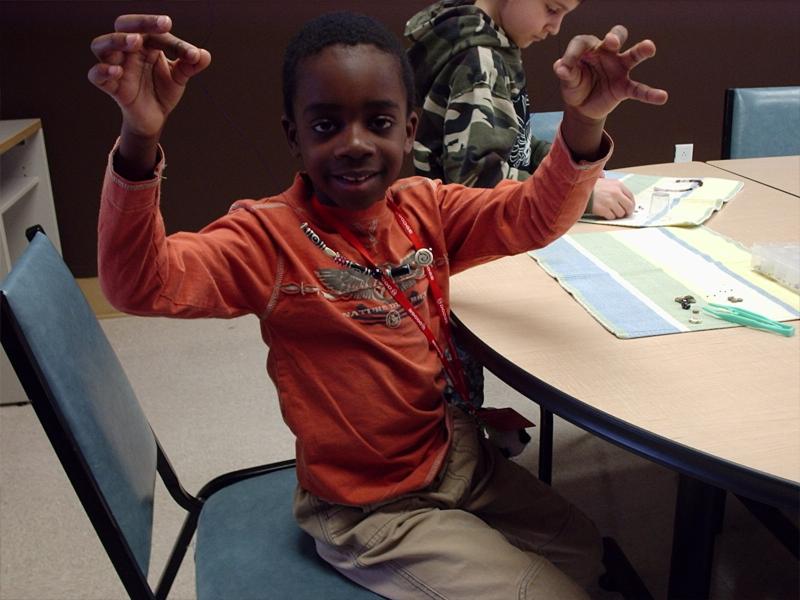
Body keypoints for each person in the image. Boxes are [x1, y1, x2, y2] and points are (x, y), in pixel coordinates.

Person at [88, 11, 666, 599]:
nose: (356, 144)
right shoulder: (268, 239)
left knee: (583, 549)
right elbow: (140, 283)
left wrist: (585, 119)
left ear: (409, 130)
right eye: (326, 125)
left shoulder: (424, 208)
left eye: (379, 122)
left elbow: (533, 215)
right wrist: (139, 137)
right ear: (294, 136)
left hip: (453, 456)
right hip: (372, 508)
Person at [406, 0, 637, 220]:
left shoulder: (495, 43)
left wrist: (562, 168)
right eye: (551, 9)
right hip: (468, 236)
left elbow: (515, 143)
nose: (555, 28)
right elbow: (478, 182)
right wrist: (575, 196)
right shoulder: (478, 59)